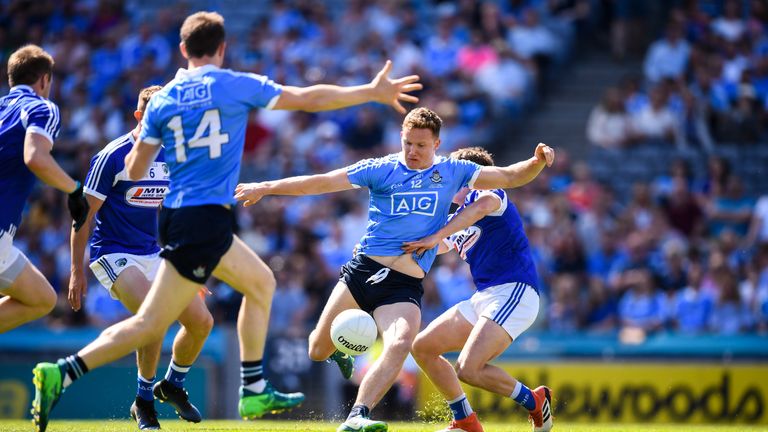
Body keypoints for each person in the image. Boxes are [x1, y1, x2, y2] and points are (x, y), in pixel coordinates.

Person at [31, 11, 422, 432]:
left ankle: (68, 372)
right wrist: (369, 90)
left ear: (183, 50)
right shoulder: (234, 84)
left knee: (227, 296)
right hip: (205, 218)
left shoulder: (162, 101)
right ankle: (247, 387)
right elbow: (307, 97)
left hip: (177, 222)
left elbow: (135, 162)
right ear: (221, 49)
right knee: (200, 306)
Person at [234, 107, 554, 432]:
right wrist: (266, 186)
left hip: (409, 287)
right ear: (400, 138)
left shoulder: (457, 176)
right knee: (318, 349)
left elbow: (511, 176)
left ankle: (358, 414)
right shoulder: (381, 168)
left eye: (421, 146)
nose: (413, 151)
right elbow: (320, 183)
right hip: (363, 272)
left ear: (437, 144)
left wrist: (538, 161)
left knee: (403, 344)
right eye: (408, 144)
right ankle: (463, 418)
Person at [69, 85, 213, 429]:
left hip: (154, 252)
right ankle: (143, 400)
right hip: (113, 252)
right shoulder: (113, 156)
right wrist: (76, 271)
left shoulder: (172, 154)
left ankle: (173, 385)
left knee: (201, 321)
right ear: (138, 116)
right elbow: (83, 216)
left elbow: (170, 209)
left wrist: (184, 267)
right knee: (155, 317)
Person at [403, 147, 552, 432]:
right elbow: (432, 247)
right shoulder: (459, 216)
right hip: (485, 297)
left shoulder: (489, 192)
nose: (447, 179)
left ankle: (535, 400)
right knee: (422, 347)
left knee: (468, 369)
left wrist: (437, 234)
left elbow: (480, 210)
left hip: (514, 292)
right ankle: (465, 420)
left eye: (454, 174)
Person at [0, 44, 89, 334]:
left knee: (43, 297)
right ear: (44, 80)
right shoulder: (42, 106)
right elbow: (36, 158)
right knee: (40, 301)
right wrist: (74, 190)